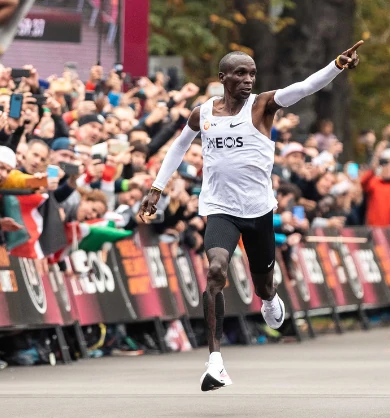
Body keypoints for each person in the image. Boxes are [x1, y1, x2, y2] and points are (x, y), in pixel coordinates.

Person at [139, 41, 364, 391]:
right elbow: (180, 145)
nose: (248, 80)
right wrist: (157, 187)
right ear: (223, 77)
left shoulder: (262, 106)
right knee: (215, 270)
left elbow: (303, 88)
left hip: (259, 211)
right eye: (240, 73)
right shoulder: (203, 113)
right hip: (219, 209)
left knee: (263, 285)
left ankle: (271, 299)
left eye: (252, 74)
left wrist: (336, 65)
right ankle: (215, 362)